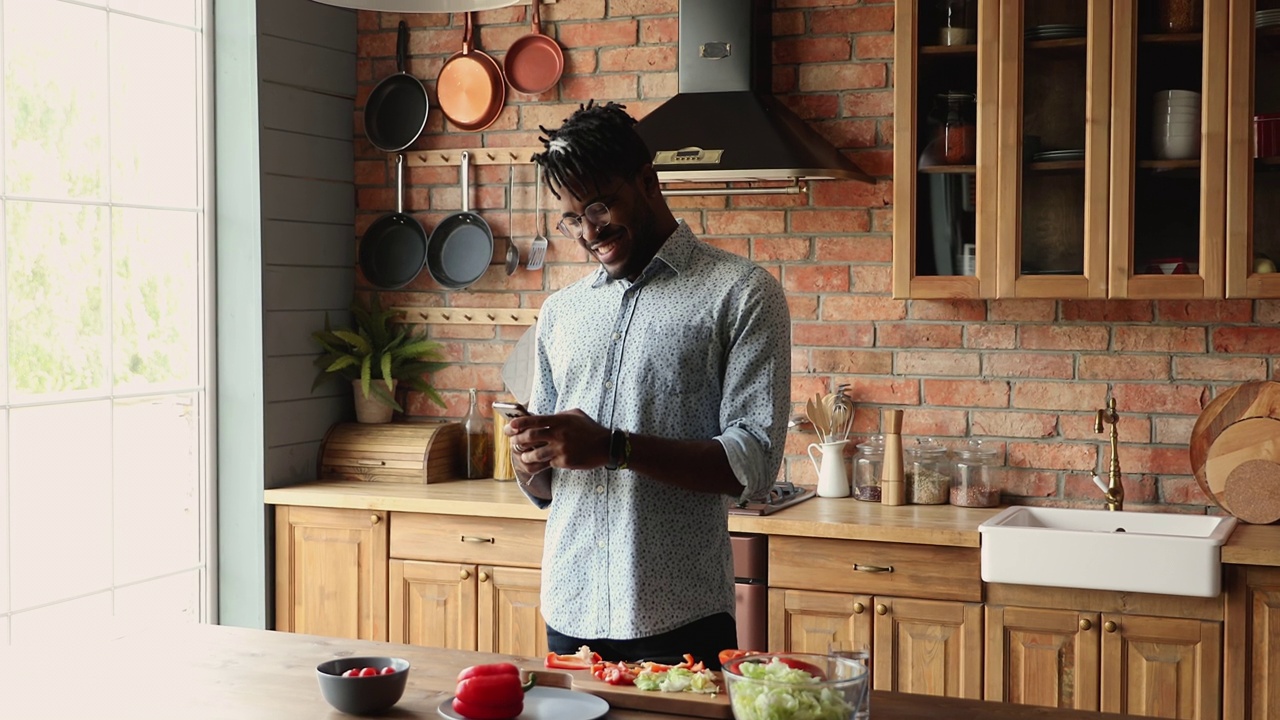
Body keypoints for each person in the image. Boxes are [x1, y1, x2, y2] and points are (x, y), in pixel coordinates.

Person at [504, 101, 791, 670]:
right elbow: (548, 485)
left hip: (680, 622)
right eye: (571, 218)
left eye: (599, 206)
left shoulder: (741, 293)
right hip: (569, 615)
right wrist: (530, 460)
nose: (588, 232)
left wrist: (614, 448)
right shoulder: (561, 313)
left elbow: (753, 464)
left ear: (647, 181)